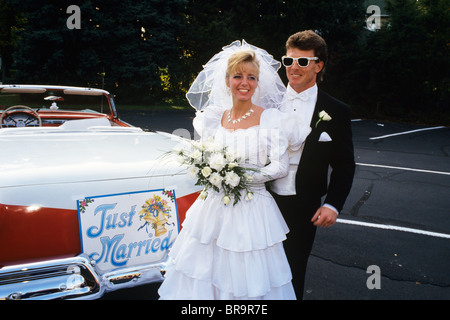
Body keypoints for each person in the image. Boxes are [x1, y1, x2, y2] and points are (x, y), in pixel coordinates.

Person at [158, 41, 310, 299]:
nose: (244, 83)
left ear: (257, 82)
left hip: (251, 209)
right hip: (212, 209)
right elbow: (204, 153)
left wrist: (244, 178)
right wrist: (210, 172)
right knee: (205, 271)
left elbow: (281, 166)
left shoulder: (270, 118)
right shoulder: (213, 118)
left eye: (251, 77)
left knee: (245, 275)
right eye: (238, 76)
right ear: (227, 80)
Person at [270, 30, 356, 299]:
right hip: (263, 198)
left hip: (303, 204)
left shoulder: (336, 111)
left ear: (319, 65)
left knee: (293, 268)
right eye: (288, 61)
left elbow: (344, 165)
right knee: (257, 266)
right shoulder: (266, 102)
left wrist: (333, 204)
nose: (294, 68)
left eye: (303, 62)